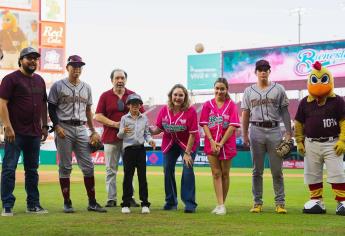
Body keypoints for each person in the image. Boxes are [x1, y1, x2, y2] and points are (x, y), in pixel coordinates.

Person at [48, 55, 106, 213]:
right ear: (67, 67)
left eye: (79, 66)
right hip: (64, 128)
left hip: (81, 128)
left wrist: (93, 131)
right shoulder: (58, 86)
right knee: (65, 167)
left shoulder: (86, 87)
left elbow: (88, 110)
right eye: (74, 66)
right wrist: (56, 125)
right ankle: (67, 202)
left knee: (88, 166)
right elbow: (51, 107)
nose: (77, 69)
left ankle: (92, 202)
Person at [0, 47, 49, 216]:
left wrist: (44, 126)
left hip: (34, 133)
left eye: (35, 58)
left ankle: (33, 204)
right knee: (9, 169)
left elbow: (44, 104)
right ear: (21, 60)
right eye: (29, 58)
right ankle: (7, 205)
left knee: (32, 170)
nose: (33, 61)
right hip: (15, 132)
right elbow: (2, 103)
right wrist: (7, 126)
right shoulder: (10, 79)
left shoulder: (40, 81)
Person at [241, 59, 292, 214]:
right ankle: (257, 202)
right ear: (256, 72)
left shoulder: (279, 89)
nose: (263, 72)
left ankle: (280, 202)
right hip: (255, 130)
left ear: (269, 71)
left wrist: (288, 132)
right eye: (260, 69)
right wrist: (244, 134)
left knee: (277, 170)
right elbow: (245, 114)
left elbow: (284, 111)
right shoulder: (248, 91)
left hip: (275, 130)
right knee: (257, 171)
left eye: (266, 69)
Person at [295, 61, 345, 216]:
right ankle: (317, 200)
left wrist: (343, 140)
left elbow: (343, 121)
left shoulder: (337, 100)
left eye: (323, 79)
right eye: (315, 80)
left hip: (332, 142)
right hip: (311, 143)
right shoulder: (305, 102)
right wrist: (299, 141)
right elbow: (298, 122)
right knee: (312, 173)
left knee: (337, 172)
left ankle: (341, 201)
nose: (318, 84)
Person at [94, 69, 140, 208]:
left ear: (126, 80)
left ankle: (129, 197)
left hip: (129, 139)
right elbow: (97, 116)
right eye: (117, 78)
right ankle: (111, 199)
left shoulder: (132, 95)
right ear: (112, 80)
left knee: (130, 169)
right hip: (110, 138)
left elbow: (141, 114)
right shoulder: (105, 95)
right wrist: (115, 124)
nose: (120, 80)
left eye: (122, 78)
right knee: (110, 170)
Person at [150, 84, 199, 213]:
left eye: (181, 95)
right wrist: (147, 130)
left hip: (188, 143)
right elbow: (158, 129)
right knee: (167, 168)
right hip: (170, 142)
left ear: (185, 97)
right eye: (175, 95)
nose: (177, 97)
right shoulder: (164, 110)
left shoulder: (191, 111)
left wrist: (187, 153)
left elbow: (193, 134)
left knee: (187, 169)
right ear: (171, 96)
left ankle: (190, 204)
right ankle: (171, 202)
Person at [199, 78, 240, 215]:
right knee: (216, 173)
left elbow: (233, 126)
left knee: (225, 173)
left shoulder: (232, 105)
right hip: (211, 143)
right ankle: (219, 204)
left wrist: (221, 143)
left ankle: (222, 204)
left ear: (226, 90)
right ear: (214, 89)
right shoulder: (207, 105)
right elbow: (204, 124)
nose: (219, 91)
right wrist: (211, 141)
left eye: (222, 88)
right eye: (217, 88)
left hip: (227, 143)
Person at [117, 94, 156, 214]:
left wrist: (150, 140)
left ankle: (145, 204)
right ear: (128, 105)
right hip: (128, 150)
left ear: (140, 105)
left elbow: (146, 133)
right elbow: (119, 135)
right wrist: (123, 131)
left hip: (140, 150)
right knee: (127, 177)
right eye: (132, 103)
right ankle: (125, 204)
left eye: (137, 103)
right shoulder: (124, 118)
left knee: (142, 177)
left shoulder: (144, 118)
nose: (135, 105)